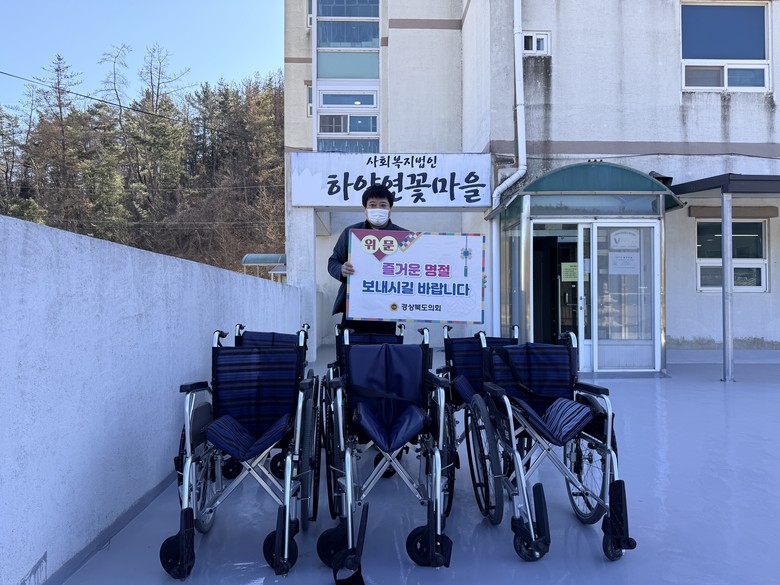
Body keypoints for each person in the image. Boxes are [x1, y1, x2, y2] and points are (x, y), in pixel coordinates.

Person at [328, 184, 406, 335]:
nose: (378, 209)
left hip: (388, 307)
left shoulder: (404, 237)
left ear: (390, 208)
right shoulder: (351, 233)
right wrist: (341, 270)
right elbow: (333, 262)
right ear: (365, 208)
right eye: (372, 205)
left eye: (383, 205)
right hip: (355, 305)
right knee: (351, 347)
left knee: (384, 347)